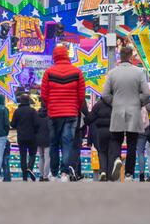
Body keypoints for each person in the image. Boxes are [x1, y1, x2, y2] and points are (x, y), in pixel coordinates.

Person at [101, 45, 150, 181]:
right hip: (134, 111)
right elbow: (147, 93)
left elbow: (104, 94)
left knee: (116, 140)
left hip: (117, 110)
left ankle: (117, 158)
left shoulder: (112, 73)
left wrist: (114, 101)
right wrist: (138, 101)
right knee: (132, 142)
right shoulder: (139, 72)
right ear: (130, 57)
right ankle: (129, 173)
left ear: (120, 57)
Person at [40, 45, 86, 182]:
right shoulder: (77, 72)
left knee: (54, 143)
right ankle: (65, 172)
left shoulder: (48, 72)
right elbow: (81, 95)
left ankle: (53, 174)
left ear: (55, 56)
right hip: (71, 113)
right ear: (66, 55)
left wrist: (50, 106)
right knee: (67, 143)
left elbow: (44, 95)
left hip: (54, 113)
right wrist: (75, 107)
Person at [11, 94, 40, 181]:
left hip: (21, 137)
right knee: (33, 154)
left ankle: (24, 177)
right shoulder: (33, 111)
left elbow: (12, 124)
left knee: (22, 156)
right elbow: (37, 123)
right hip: (32, 136)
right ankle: (30, 167)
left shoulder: (17, 111)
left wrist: (19, 127)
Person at [85, 97, 113, 181]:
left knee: (102, 152)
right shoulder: (115, 103)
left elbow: (89, 119)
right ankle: (110, 174)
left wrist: (85, 120)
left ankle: (103, 171)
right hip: (113, 131)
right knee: (111, 153)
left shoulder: (98, 105)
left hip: (101, 131)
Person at [36, 103, 52, 181]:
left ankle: (41, 175)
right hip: (48, 139)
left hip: (38, 139)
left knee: (41, 157)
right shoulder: (50, 116)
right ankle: (45, 176)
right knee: (47, 158)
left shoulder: (37, 115)